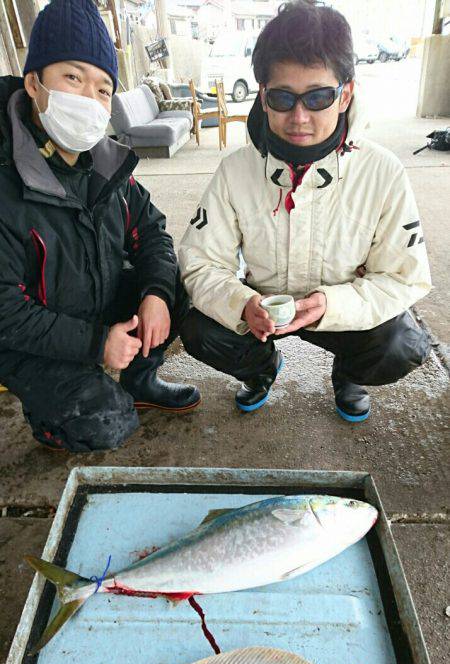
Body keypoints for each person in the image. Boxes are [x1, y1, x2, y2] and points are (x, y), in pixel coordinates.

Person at [179, 0, 431, 421]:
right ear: (263, 94)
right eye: (282, 97)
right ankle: (261, 369)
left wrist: (331, 305)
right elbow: (201, 262)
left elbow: (404, 277)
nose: (299, 116)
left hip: (343, 313)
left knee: (402, 343)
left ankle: (349, 374)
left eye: (318, 97)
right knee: (196, 327)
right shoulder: (234, 171)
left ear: (345, 93)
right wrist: (242, 304)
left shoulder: (384, 172)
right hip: (261, 315)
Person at [0, 0, 200, 453]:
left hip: (93, 302)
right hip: (24, 338)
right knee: (106, 424)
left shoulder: (108, 166)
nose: (89, 99)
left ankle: (140, 380)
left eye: (103, 88)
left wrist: (155, 296)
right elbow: (5, 312)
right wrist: (95, 345)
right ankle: (50, 417)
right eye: (72, 78)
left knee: (177, 285)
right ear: (34, 83)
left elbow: (152, 234)